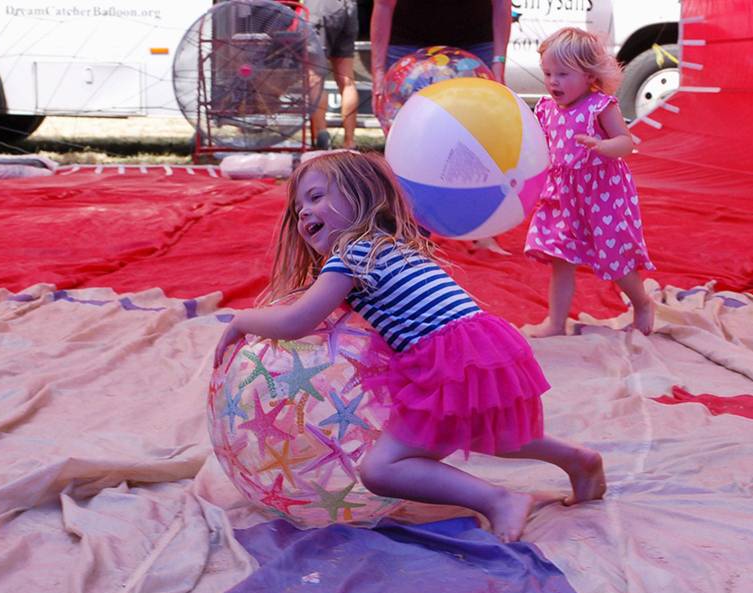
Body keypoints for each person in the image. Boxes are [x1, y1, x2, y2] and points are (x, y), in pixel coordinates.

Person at [213, 151, 606, 542]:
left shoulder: (350, 257)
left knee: (382, 469)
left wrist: (242, 322)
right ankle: (579, 460)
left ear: (361, 196)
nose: (303, 213)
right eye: (298, 207)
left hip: (444, 356)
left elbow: (295, 322)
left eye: (316, 197)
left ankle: (497, 499)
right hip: (480, 343)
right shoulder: (391, 246)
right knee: (488, 434)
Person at [521, 27, 656, 337]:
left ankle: (642, 302)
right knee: (560, 258)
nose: (554, 81)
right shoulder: (546, 108)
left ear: (589, 75)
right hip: (563, 195)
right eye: (548, 73)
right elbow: (541, 145)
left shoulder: (599, 106)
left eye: (564, 74)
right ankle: (556, 322)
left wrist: (603, 147)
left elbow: (626, 142)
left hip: (602, 195)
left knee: (615, 258)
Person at [369, 0, 513, 256]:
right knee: (408, 139)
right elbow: (383, 6)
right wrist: (379, 72)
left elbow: (501, 4)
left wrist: (499, 61)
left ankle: (484, 231)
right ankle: (411, 232)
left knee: (482, 133)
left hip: (475, 41)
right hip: (407, 44)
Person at [303, 0, 360, 149]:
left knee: (315, 76)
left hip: (320, 8)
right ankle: (350, 141)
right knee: (347, 80)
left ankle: (321, 136)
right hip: (349, 8)